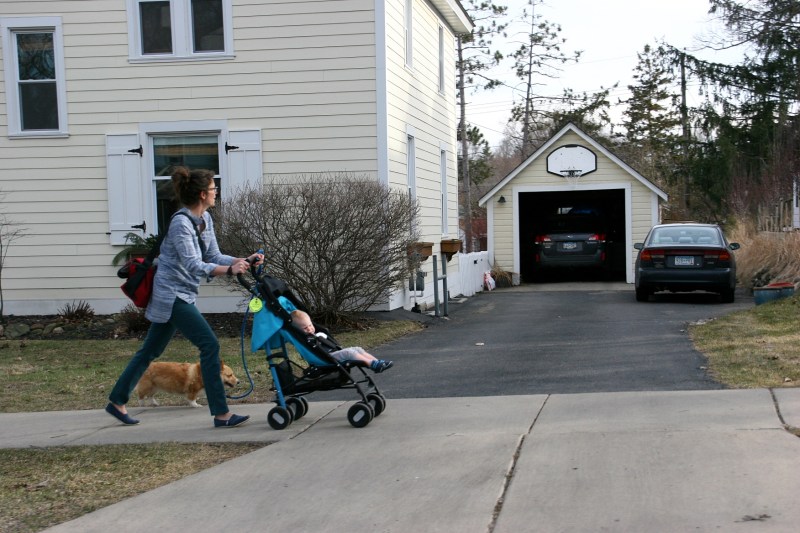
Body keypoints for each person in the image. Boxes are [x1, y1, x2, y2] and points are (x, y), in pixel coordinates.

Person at [105, 166, 264, 428]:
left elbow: (212, 256)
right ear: (202, 194)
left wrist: (241, 260)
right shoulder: (181, 223)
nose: (216, 193)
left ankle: (117, 400)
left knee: (150, 350)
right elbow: (193, 263)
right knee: (209, 345)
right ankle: (221, 413)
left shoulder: (206, 220)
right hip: (171, 294)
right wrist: (229, 270)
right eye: (214, 189)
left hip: (183, 293)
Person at [290, 310, 394, 372]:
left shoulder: (314, 334)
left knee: (357, 348)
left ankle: (376, 362)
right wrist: (317, 338)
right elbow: (315, 348)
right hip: (326, 358)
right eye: (305, 328)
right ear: (299, 330)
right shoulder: (307, 339)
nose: (309, 329)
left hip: (332, 354)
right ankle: (372, 364)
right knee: (349, 352)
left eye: (310, 325)